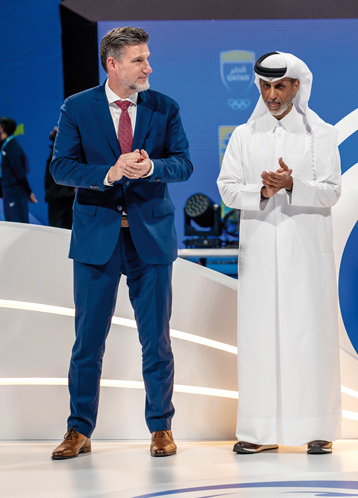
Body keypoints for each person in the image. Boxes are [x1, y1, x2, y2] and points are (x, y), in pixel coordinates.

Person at [46, 26, 190, 465]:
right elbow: (61, 168)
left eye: (147, 59)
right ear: (112, 64)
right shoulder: (77, 107)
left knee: (157, 341)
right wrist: (110, 172)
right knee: (87, 342)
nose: (148, 68)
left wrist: (149, 169)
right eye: (138, 60)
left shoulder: (164, 107)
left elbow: (182, 164)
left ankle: (161, 427)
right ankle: (78, 430)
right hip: (97, 239)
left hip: (150, 238)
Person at [216, 51, 340, 455]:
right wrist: (264, 191)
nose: (272, 95)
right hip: (260, 252)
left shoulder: (321, 134)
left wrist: (292, 184)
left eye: (279, 86)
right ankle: (259, 430)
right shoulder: (243, 135)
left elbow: (332, 191)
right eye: (265, 87)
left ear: (295, 87)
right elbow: (228, 188)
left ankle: (316, 429)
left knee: (309, 336)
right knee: (259, 337)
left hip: (306, 254)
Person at [0, 117, 34, 223]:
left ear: (2, 128)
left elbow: (20, 173)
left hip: (16, 194)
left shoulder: (12, 147)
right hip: (9, 193)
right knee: (11, 227)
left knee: (19, 227)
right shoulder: (7, 145)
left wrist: (28, 192)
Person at [45, 127, 75, 229]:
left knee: (57, 228)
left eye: (53, 131)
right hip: (63, 195)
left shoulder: (59, 152)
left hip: (60, 195)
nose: (50, 132)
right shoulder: (61, 151)